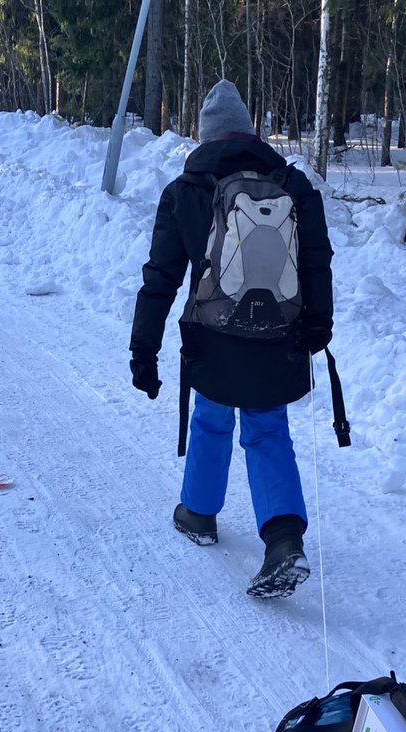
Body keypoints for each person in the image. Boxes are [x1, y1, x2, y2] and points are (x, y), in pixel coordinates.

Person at [129, 80, 334, 599]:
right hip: (278, 334)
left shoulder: (185, 191)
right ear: (249, 132)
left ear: (206, 137)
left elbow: (161, 278)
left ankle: (198, 513)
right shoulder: (292, 184)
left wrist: (143, 351)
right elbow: (316, 259)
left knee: (212, 417)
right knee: (268, 430)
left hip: (213, 336)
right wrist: (318, 324)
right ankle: (284, 539)